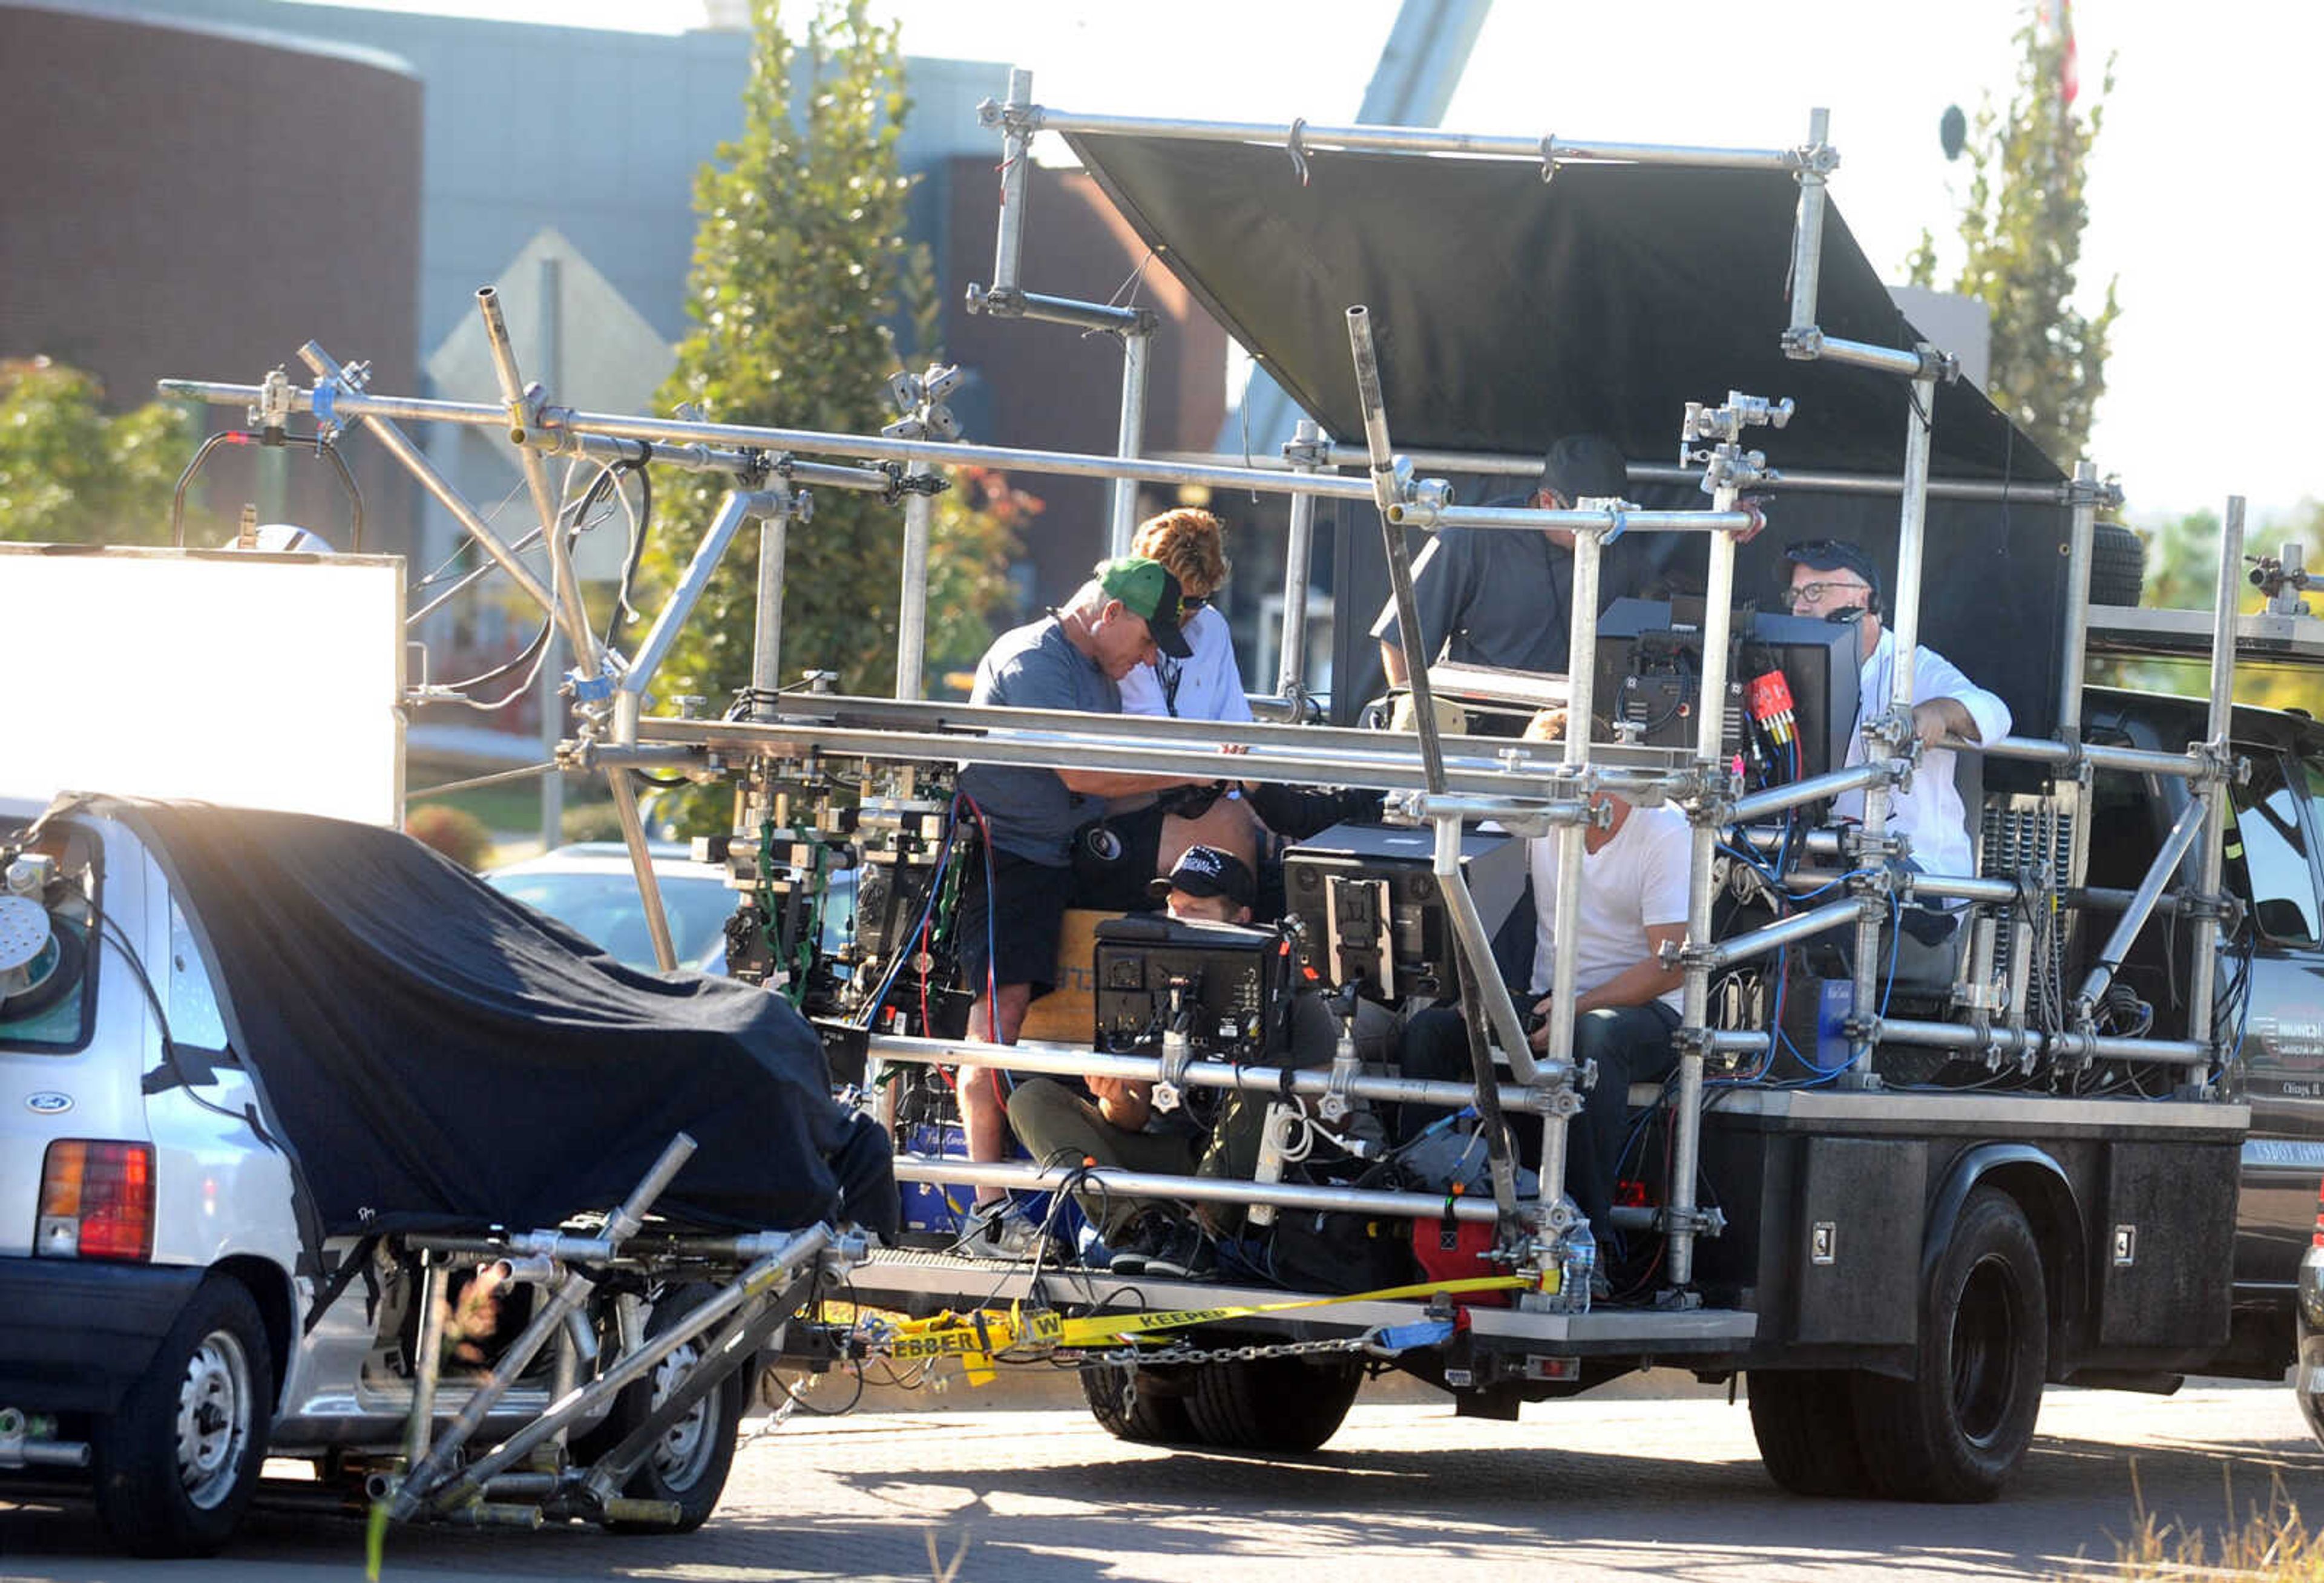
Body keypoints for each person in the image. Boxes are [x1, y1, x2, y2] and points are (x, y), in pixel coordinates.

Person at [952, 556, 1210, 1256]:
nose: (1150, 657)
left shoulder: (1096, 670)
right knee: (996, 1021)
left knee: (1065, 1024)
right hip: (1011, 860)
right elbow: (1083, 773)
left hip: (1062, 856)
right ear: (1111, 614)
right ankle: (988, 1208)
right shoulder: (1033, 659)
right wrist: (1191, 768)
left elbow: (1101, 787)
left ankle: (1110, 1192)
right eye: (1149, 640)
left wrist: (1183, 789)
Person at [1399, 712, 1691, 1258]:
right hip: (1550, 999)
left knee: (1595, 1039)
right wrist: (1480, 994)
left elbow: (1670, 966)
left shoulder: (1665, 829)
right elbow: (1461, 883)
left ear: (1589, 777)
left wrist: (1576, 1007)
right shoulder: (1537, 812)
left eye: (1539, 782)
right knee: (1430, 1033)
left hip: (1647, 1011)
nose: (1529, 798)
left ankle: (1588, 1241)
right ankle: (1418, 1220)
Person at [1004, 844, 1264, 1277]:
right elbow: (1131, 1116)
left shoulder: (1274, 980)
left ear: (1241, 918)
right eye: (1172, 908)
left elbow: (1315, 1104)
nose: (1177, 921)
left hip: (1240, 1168)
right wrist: (1116, 1097)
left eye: (1195, 911)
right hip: (1165, 1157)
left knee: (1260, 1089)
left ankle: (1201, 1235)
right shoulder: (1143, 970)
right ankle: (1143, 1227)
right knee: (1031, 1100)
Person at [1779, 539, 2012, 899]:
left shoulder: (1912, 665)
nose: (1800, 605)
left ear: (1863, 599)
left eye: (1815, 591)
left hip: (1918, 876)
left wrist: (1940, 712)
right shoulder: (1787, 665)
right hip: (1824, 866)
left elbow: (1995, 714)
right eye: (1795, 595)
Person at [1372, 433, 1632, 690]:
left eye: (1611, 517)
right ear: (1546, 502)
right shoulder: (1475, 536)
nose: (1602, 531)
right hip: (1481, 719)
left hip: (1573, 722)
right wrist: (1414, 715)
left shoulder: (1619, 547)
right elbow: (1401, 640)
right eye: (1589, 518)